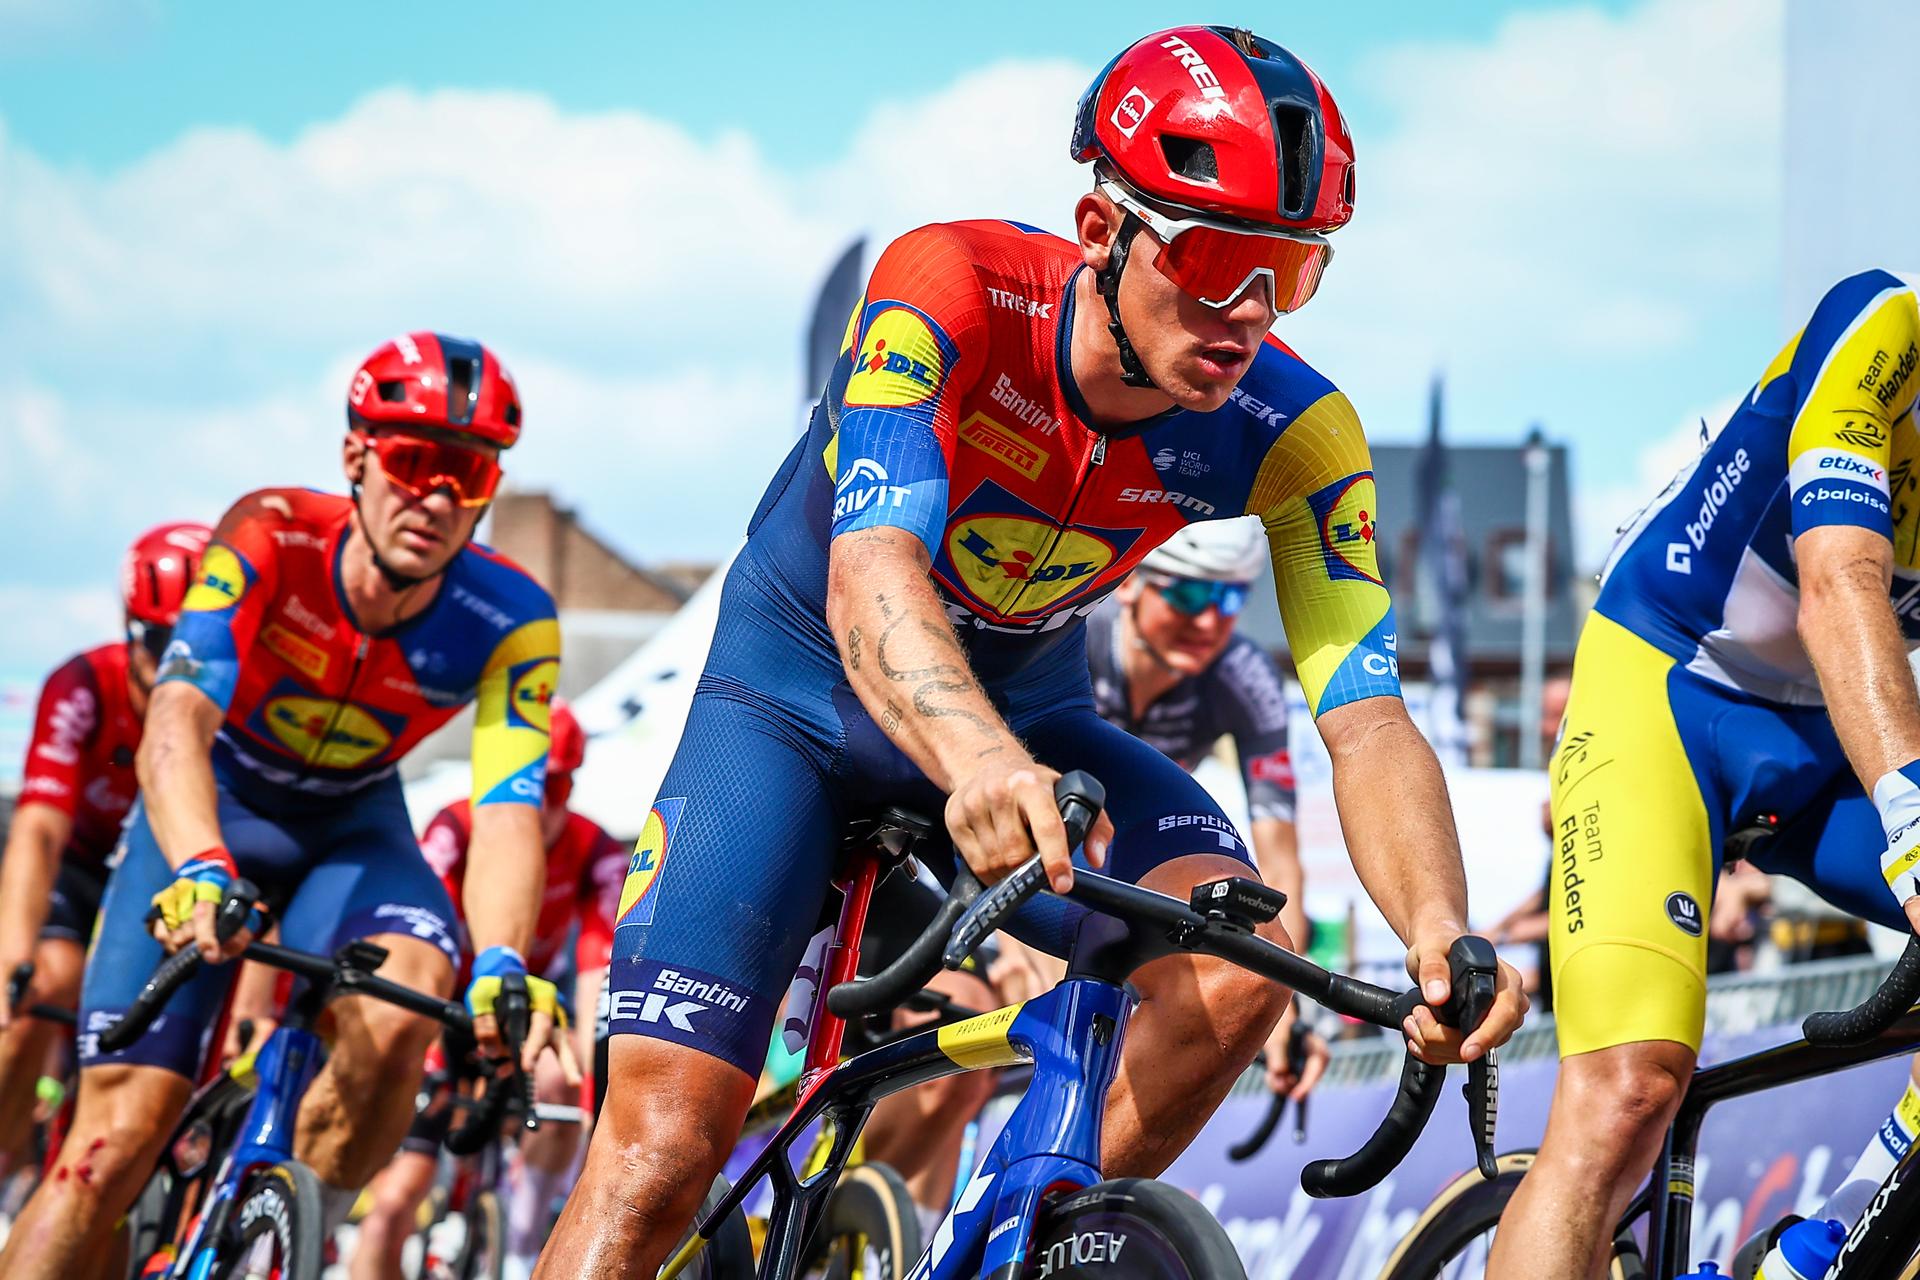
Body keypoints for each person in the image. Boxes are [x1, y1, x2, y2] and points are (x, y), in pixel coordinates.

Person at [540, 26, 1524, 1275]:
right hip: (794, 704)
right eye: (1219, 257)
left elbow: (1369, 718)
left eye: (1294, 272)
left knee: (1237, 968)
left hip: (1027, 725)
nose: (1248, 313)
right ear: (1101, 227)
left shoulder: (1297, 431)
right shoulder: (946, 283)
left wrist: (1442, 926)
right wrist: (978, 763)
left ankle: (1002, 1245)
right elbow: (871, 576)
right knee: (662, 1155)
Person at [0, 332, 575, 1279]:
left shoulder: (515, 618)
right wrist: (198, 866)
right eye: (413, 460)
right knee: (115, 1139)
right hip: (214, 809)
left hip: (354, 826)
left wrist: (505, 959)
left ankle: (281, 1234)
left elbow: (508, 805)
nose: (435, 497)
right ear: (357, 456)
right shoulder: (269, 533)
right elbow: (177, 717)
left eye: (466, 478)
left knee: (412, 1001)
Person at [1487, 269, 1920, 1277]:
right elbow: (1837, 583)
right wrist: (1910, 814)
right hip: (1671, 683)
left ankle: (1829, 1241)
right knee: (1628, 1092)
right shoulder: (1882, 327)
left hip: (1826, 740)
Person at [352, 700, 620, 1280]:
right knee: (394, 1204)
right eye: (530, 782)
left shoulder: (595, 847)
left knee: (563, 1079)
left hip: (528, 1005)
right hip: (447, 1000)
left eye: (555, 785)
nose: (540, 801)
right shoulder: (454, 827)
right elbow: (423, 939)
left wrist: (587, 1082)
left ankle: (521, 1250)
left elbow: (598, 967)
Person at [1087, 516, 1328, 1099]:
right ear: (1131, 583)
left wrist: (1286, 1000)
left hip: (1130, 855)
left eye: (1230, 597)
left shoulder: (1242, 675)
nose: (1209, 619)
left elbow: (1279, 853)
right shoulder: (1080, 639)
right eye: (1190, 593)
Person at [0, 522, 211, 1188]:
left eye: (192, 643)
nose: (174, 661)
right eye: (157, 641)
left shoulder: (229, 703)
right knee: (45, 981)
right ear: (129, 631)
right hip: (81, 866)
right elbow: (37, 832)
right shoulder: (85, 684)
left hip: (165, 878)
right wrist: (13, 955)